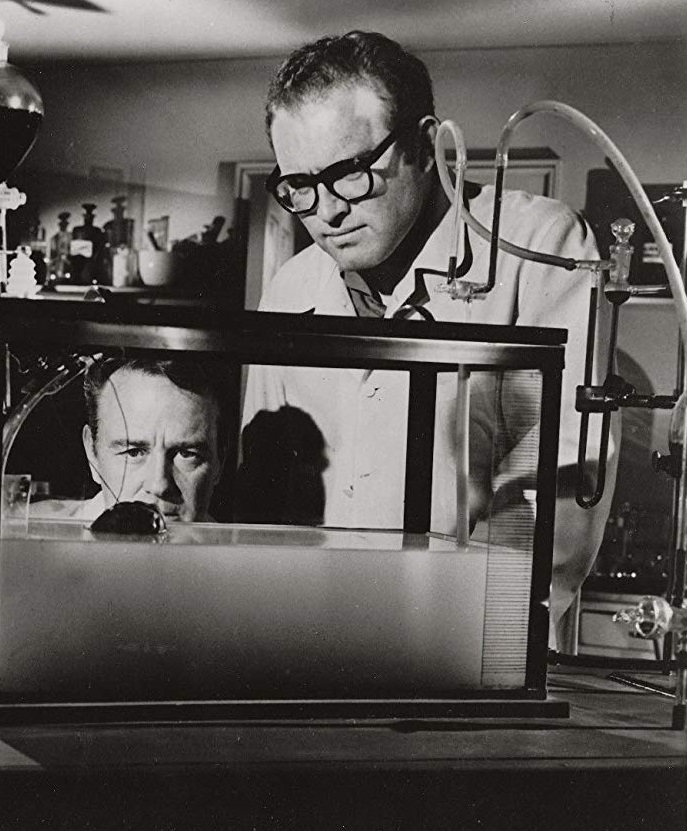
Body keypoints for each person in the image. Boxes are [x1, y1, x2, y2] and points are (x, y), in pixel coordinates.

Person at [243, 31, 615, 626]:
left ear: (424, 145)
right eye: (300, 186)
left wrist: (481, 635)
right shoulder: (292, 286)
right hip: (307, 626)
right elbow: (261, 488)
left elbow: (561, 477)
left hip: (470, 633)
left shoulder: (537, 247)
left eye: (351, 172)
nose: (327, 210)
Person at [30, 357, 225, 523]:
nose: (159, 485)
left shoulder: (241, 563)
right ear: (92, 454)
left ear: (219, 462)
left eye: (186, 454)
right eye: (133, 453)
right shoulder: (30, 543)